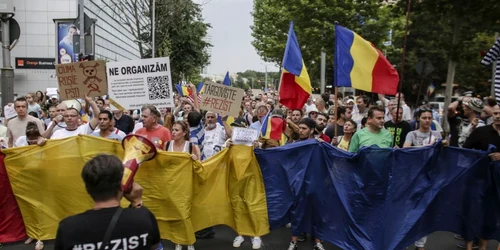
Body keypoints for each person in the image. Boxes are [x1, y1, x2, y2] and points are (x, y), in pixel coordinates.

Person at [54, 155, 161, 250]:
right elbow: (154, 246)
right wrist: (137, 201)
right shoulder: (143, 217)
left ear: (87, 189)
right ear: (121, 186)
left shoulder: (68, 228)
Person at [288, 118, 326, 250]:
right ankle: (293, 243)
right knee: (297, 213)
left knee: (317, 213)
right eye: (300, 128)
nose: (301, 131)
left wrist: (323, 145)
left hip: (316, 184)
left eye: (304, 128)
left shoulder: (319, 144)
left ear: (311, 130)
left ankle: (318, 243)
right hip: (299, 185)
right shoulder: (295, 144)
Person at [165, 121, 200, 250]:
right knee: (176, 213)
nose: (173, 132)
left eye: (176, 130)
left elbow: (199, 167)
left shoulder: (191, 146)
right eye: (172, 129)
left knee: (186, 214)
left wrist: (195, 159)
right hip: (172, 185)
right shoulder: (167, 145)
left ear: (184, 133)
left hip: (187, 185)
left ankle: (189, 241)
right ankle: (178, 241)